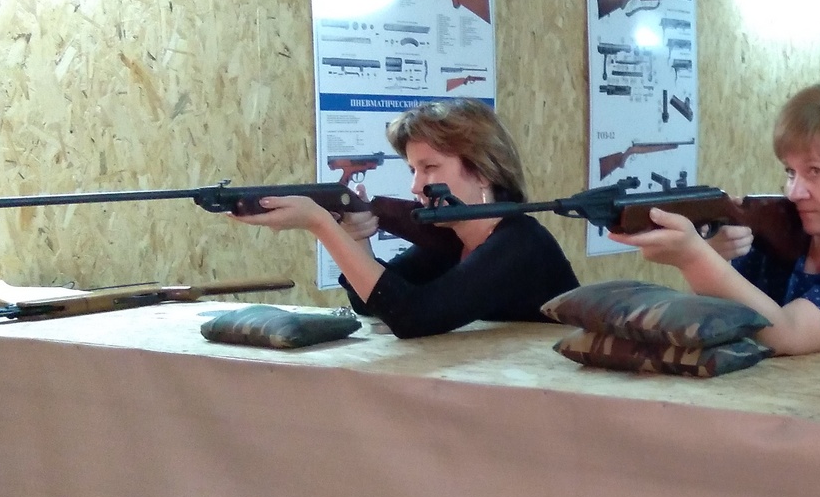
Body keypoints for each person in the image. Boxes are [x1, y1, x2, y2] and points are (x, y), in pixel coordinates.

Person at [611, 80, 820, 355]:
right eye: (791, 172)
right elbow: (715, 321)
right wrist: (714, 256)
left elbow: (786, 334)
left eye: (815, 171)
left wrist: (694, 257)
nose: (795, 192)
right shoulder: (780, 237)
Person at [230, 99, 579, 338]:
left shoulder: (521, 243)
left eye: (430, 167)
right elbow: (374, 303)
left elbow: (413, 317)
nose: (415, 185)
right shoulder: (453, 238)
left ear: (483, 171)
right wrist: (357, 236)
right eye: (413, 169)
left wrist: (321, 224)